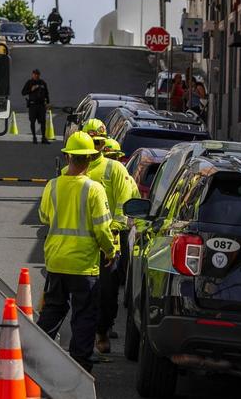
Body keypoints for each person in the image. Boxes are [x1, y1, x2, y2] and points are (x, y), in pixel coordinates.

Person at [38, 131, 117, 372]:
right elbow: (103, 229)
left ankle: (36, 357)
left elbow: (44, 217)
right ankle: (79, 364)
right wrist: (110, 251)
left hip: (55, 261)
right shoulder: (94, 190)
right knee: (83, 316)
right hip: (83, 266)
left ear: (67, 157)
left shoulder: (52, 186)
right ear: (91, 159)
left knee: (52, 311)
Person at [60, 123, 139, 355]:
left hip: (107, 246)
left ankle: (102, 331)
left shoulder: (114, 169)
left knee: (106, 296)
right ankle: (82, 344)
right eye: (93, 142)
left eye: (100, 142)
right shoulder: (69, 172)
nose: (97, 147)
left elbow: (124, 205)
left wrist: (114, 231)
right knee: (80, 298)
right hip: (79, 248)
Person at [21, 69, 51, 143]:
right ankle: (34, 137)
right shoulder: (29, 82)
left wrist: (47, 103)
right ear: (32, 75)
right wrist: (31, 90)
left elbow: (47, 94)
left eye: (37, 74)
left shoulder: (42, 83)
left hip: (41, 105)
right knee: (32, 121)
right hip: (33, 105)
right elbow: (23, 92)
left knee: (43, 122)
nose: (36, 75)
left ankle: (43, 138)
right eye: (34, 74)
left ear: (39, 75)